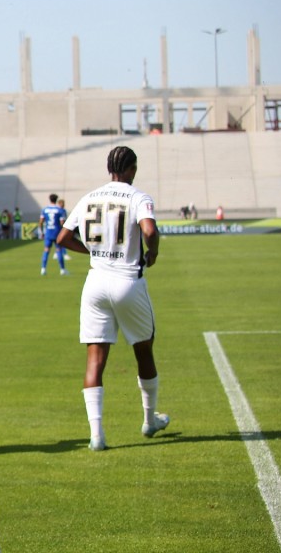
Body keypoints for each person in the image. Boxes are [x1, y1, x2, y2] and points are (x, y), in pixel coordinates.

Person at [56, 145, 169, 452]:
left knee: (95, 359)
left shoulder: (90, 197)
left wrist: (91, 251)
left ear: (109, 168)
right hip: (127, 280)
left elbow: (63, 238)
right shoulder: (138, 197)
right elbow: (149, 229)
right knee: (143, 350)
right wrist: (153, 252)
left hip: (95, 282)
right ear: (131, 169)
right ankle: (149, 420)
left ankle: (96, 435)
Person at [38, 193, 68, 276]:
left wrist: (41, 232)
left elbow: (40, 222)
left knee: (46, 250)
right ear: (56, 200)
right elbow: (62, 223)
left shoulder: (44, 209)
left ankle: (43, 269)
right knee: (59, 250)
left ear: (50, 199)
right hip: (57, 233)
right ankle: (62, 270)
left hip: (48, 232)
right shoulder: (59, 210)